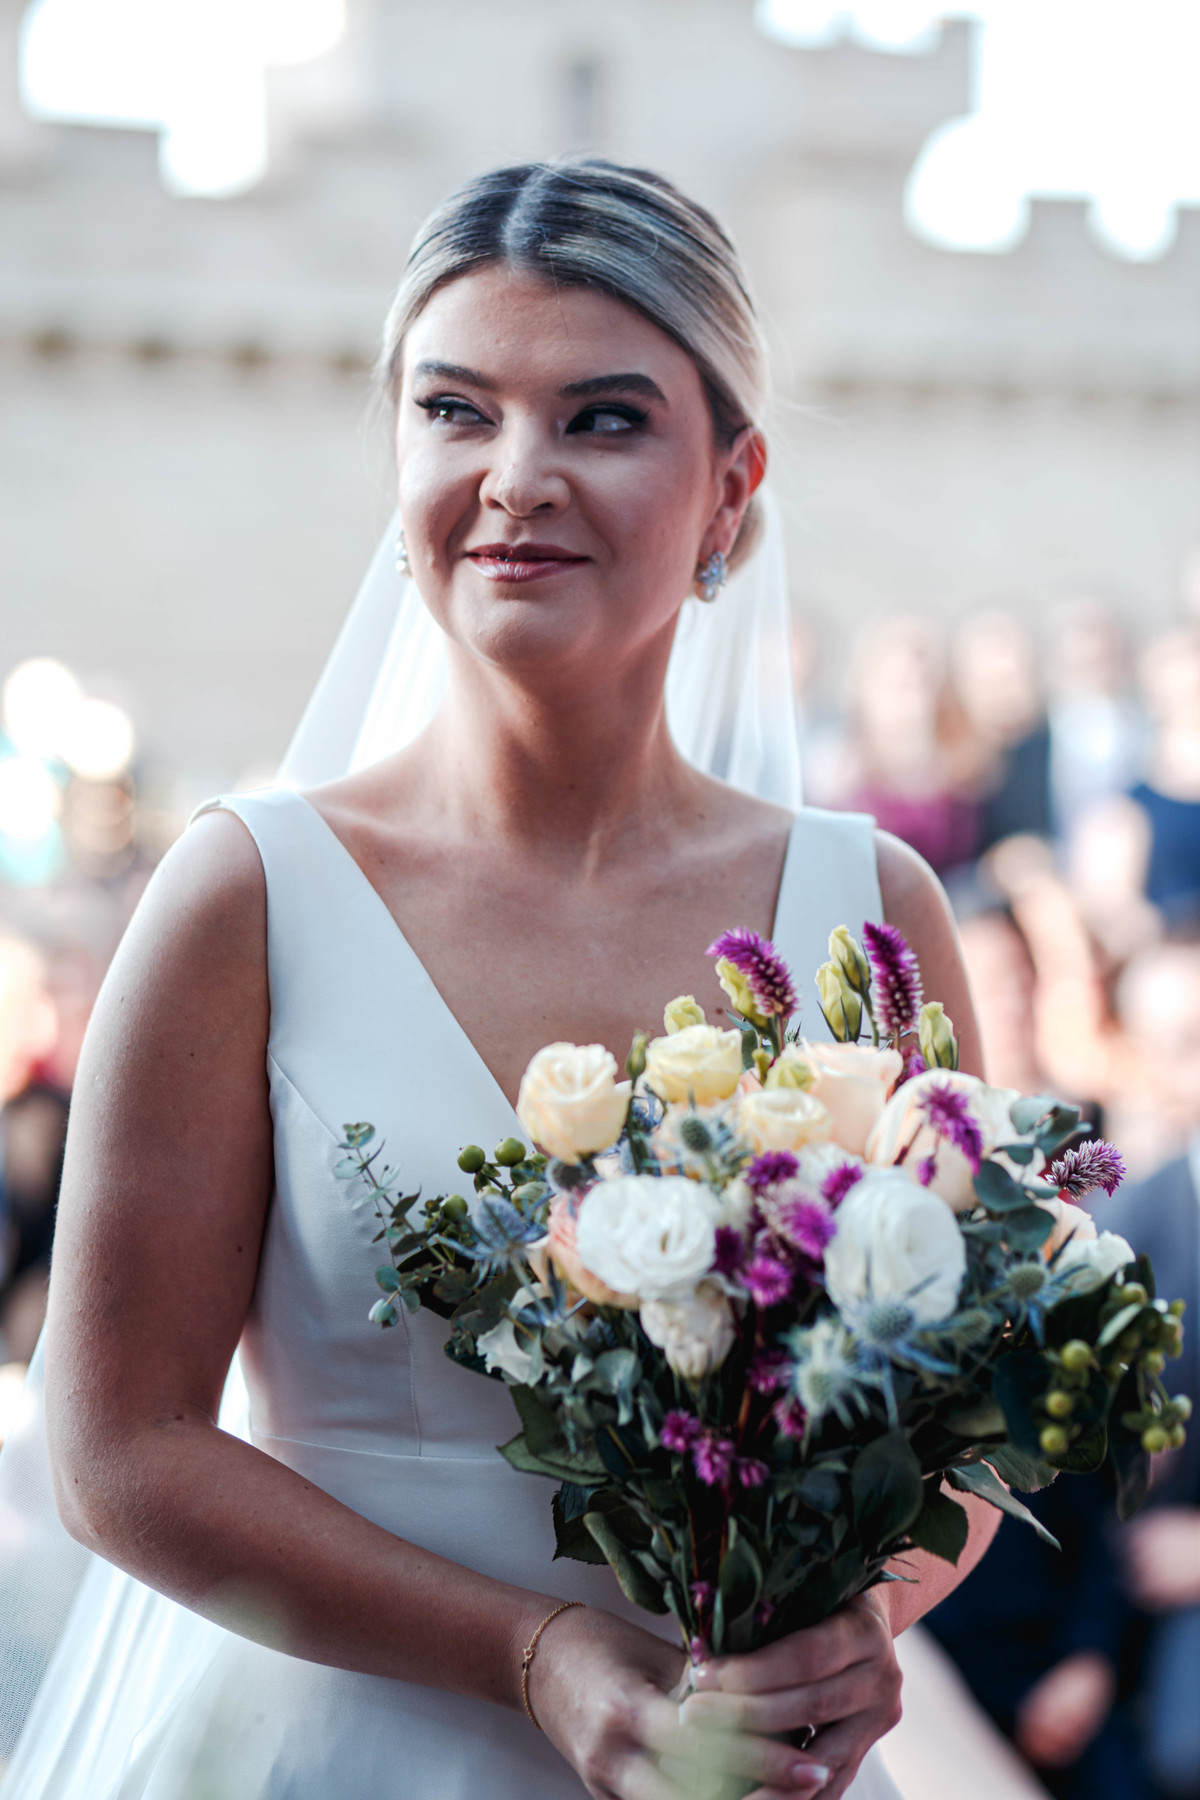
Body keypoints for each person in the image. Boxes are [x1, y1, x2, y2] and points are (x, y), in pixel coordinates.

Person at [0, 159, 999, 1800]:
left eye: (602, 419)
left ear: (731, 487)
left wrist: (847, 1623)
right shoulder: (245, 894)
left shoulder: (866, 912)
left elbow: (960, 1419)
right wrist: (532, 1654)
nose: (517, 478)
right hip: (348, 1751)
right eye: (456, 412)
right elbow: (117, 1450)